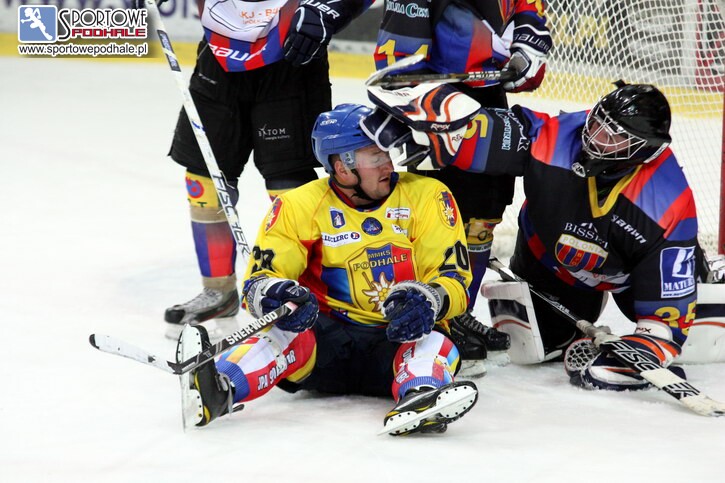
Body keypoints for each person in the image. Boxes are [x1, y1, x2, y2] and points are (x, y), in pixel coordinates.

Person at [369, 79, 725, 391]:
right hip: (551, 263)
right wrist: (445, 133)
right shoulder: (557, 137)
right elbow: (493, 134)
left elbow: (664, 321)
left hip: (632, 278)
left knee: (695, 338)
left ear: (643, 149)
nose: (594, 136)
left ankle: (709, 279)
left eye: (613, 137)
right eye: (597, 122)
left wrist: (649, 345)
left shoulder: (667, 203)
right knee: (530, 345)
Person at [178, 104, 478, 435]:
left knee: (433, 341)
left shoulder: (429, 195)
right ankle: (219, 387)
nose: (388, 164)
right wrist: (278, 296)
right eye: (375, 156)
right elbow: (257, 284)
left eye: (387, 153)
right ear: (342, 167)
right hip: (324, 346)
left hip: (397, 342)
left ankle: (421, 397)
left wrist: (429, 300)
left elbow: (455, 281)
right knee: (280, 333)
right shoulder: (298, 205)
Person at [140, 0, 374, 337]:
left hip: (292, 51)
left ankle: (306, 298)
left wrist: (329, 9)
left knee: (289, 189)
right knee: (204, 183)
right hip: (220, 50)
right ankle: (218, 292)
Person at [373, 0, 552, 369]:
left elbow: (526, 11)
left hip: (487, 97)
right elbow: (394, 62)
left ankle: (457, 313)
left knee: (485, 214)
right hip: (433, 100)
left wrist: (528, 44)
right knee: (436, 213)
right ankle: (426, 314)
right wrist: (418, 108)